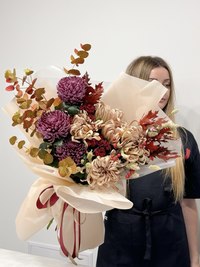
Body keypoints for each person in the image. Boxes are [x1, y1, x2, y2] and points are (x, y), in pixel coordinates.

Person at [96, 56, 200, 267]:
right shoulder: (109, 137)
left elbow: (188, 203)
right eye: (153, 84)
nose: (163, 91)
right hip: (120, 241)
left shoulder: (183, 139)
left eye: (167, 84)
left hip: (171, 242)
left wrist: (196, 258)